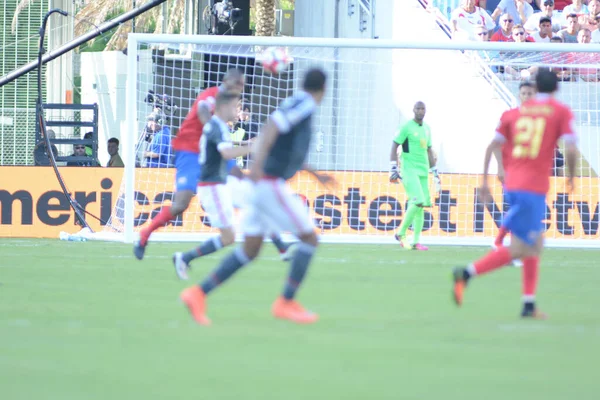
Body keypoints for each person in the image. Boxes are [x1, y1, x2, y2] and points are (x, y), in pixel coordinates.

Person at [180, 68, 332, 326]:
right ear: (323, 89)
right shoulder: (305, 104)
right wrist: (258, 166)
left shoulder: (295, 103)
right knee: (309, 239)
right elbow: (272, 127)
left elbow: (282, 144)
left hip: (264, 183)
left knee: (250, 250)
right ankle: (286, 301)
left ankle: (197, 293)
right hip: (270, 184)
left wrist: (314, 173)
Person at [452, 68, 577, 319]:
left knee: (532, 244)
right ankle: (466, 273)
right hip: (532, 187)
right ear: (555, 89)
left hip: (512, 183)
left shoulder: (513, 114)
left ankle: (528, 304)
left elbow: (492, 146)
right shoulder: (559, 111)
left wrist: (486, 180)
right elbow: (571, 148)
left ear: (536, 89)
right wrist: (571, 177)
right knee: (524, 247)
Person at [133, 69, 245, 259]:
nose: (240, 89)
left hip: (212, 153)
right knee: (181, 204)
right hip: (190, 151)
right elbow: (202, 110)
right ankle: (145, 234)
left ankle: (281, 245)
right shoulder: (211, 95)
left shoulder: (229, 105)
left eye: (242, 85)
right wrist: (211, 127)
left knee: (242, 180)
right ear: (226, 82)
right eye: (237, 84)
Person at [172, 91, 252, 279]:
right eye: (235, 106)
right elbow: (226, 155)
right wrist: (251, 146)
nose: (237, 111)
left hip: (220, 183)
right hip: (212, 186)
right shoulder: (217, 127)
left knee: (254, 206)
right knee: (229, 236)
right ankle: (186, 258)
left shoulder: (219, 126)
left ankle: (283, 248)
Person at [492, 81, 536, 268]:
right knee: (516, 208)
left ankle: (503, 244)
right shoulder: (509, 117)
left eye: (530, 93)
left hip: (527, 172)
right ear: (519, 96)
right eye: (524, 93)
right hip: (511, 171)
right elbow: (495, 144)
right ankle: (504, 245)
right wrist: (500, 168)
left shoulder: (537, 120)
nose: (527, 96)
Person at [389, 102, 441, 251]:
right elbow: (394, 145)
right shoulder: (406, 127)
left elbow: (429, 150)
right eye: (418, 108)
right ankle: (401, 232)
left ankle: (416, 241)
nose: (420, 111)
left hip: (423, 170)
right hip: (409, 169)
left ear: (426, 110)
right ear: (413, 110)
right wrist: (393, 167)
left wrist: (435, 172)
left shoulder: (427, 129)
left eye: (423, 108)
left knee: (422, 205)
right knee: (417, 201)